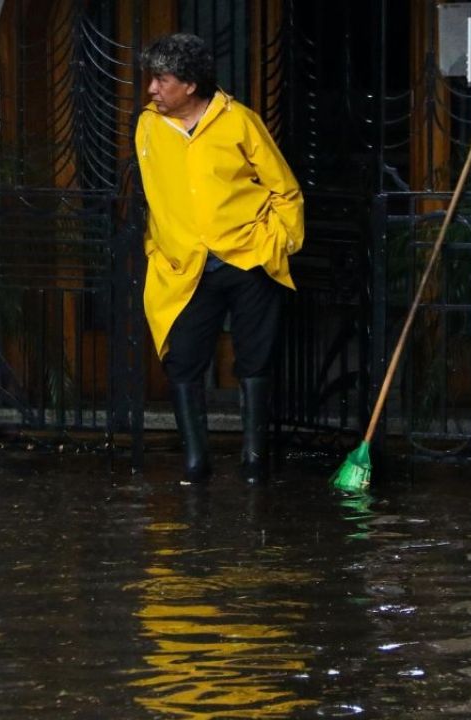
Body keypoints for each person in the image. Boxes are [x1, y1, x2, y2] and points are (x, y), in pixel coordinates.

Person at [135, 33, 304, 484]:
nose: (152, 89)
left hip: (247, 258)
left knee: (254, 358)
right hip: (184, 264)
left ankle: (253, 459)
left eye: (161, 80)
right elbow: (156, 195)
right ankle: (196, 459)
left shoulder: (238, 122)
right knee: (183, 359)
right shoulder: (149, 125)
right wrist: (159, 244)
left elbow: (284, 189)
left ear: (189, 85)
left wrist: (277, 242)